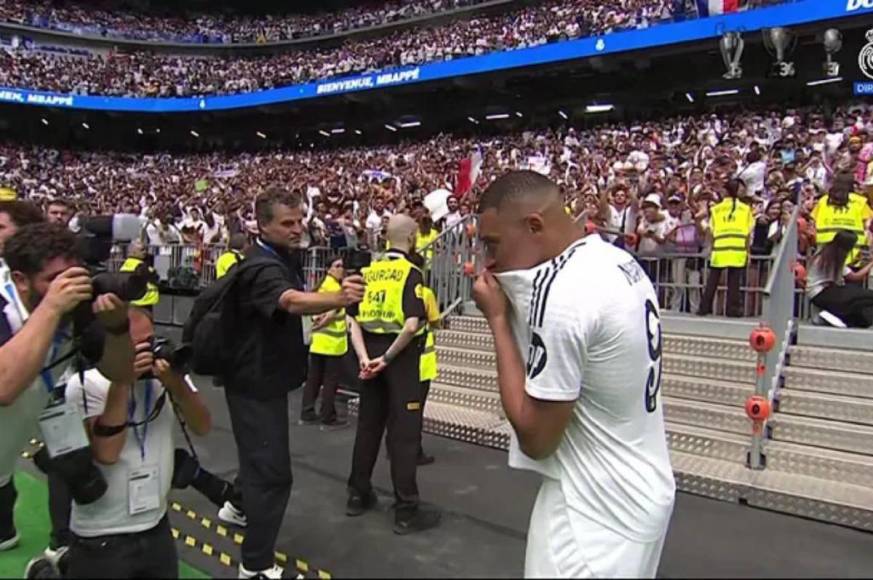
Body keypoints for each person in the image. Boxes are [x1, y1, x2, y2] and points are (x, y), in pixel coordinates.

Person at [472, 171, 675, 578]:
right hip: (641, 488)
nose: (489, 260)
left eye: (494, 244)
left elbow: (536, 439)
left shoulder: (564, 294)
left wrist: (497, 319)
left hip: (594, 512)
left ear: (534, 226)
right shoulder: (614, 259)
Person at [222, 186, 364, 579]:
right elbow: (287, 300)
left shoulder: (278, 257)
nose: (297, 227)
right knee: (273, 475)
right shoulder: (262, 265)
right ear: (262, 225)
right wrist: (336, 300)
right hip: (254, 382)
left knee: (258, 460)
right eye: (287, 222)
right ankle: (255, 567)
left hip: (262, 378)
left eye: (300, 219)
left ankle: (236, 506)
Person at [0, 223, 134, 557]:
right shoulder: (5, 310)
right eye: (55, 279)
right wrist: (50, 308)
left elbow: (121, 372)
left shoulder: (74, 314)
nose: (69, 288)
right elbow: (4, 387)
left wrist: (117, 328)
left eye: (75, 275)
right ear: (20, 280)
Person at [64, 307, 211, 578]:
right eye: (139, 345)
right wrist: (122, 381)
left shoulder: (164, 377)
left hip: (156, 527)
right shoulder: (85, 385)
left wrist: (176, 385)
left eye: (151, 340)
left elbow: (202, 425)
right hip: (103, 536)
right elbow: (107, 453)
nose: (150, 351)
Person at [345, 214, 441, 534]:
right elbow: (412, 325)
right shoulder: (411, 273)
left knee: (368, 428)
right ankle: (406, 510)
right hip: (398, 360)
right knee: (403, 435)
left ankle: (358, 495)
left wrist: (365, 358)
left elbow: (351, 320)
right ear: (412, 238)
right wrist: (386, 359)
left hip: (368, 353)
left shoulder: (368, 272)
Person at [300, 258, 348, 426]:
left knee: (314, 378)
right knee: (330, 381)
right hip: (332, 343)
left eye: (342, 266)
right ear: (329, 269)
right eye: (337, 266)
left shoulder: (321, 286)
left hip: (318, 341)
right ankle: (327, 415)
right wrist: (323, 320)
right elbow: (331, 314)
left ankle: (307, 412)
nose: (341, 269)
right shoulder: (336, 289)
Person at [698, 179, 754, 317]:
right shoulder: (746, 209)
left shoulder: (716, 209)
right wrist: (748, 252)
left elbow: (711, 230)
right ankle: (732, 310)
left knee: (712, 282)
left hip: (719, 249)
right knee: (734, 283)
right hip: (737, 250)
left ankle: (704, 308)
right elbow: (748, 232)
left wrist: (711, 248)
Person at [806, 231, 873, 328]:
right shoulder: (832, 258)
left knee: (863, 307)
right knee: (865, 295)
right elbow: (855, 277)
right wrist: (871, 263)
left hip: (823, 293)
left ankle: (837, 318)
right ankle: (830, 316)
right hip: (822, 293)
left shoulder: (826, 253)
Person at [409, 252, 439, 466]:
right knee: (416, 409)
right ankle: (414, 450)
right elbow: (435, 320)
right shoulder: (425, 293)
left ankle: (395, 447)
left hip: (400, 360)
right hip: (422, 361)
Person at [811, 172, 872, 267]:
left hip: (825, 257)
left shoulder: (823, 201)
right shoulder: (860, 202)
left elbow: (813, 225)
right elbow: (868, 228)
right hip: (853, 257)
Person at [119, 242, 160, 311]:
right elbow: (154, 278)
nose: (145, 252)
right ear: (133, 252)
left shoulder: (124, 265)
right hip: (144, 301)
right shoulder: (141, 266)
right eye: (142, 250)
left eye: (145, 250)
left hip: (131, 301)